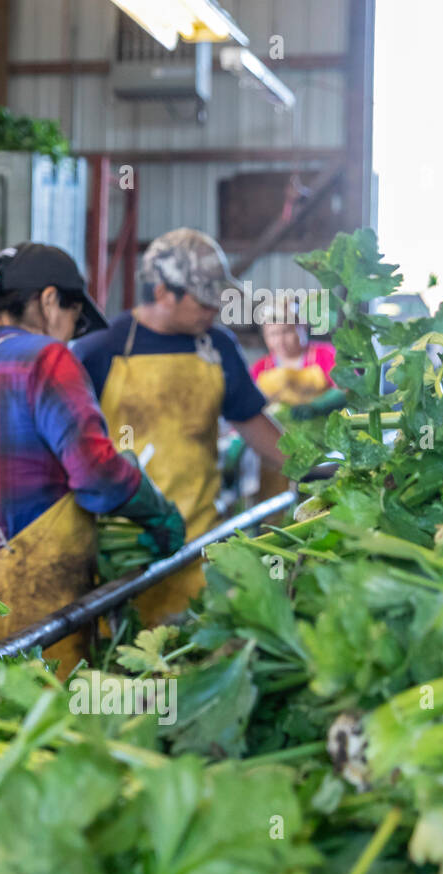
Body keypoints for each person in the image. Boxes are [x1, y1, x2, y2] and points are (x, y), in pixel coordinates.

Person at [0, 243, 185, 674]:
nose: (70, 335)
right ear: (48, 301)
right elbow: (97, 475)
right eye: (72, 318)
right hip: (21, 610)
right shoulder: (46, 358)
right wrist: (156, 510)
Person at [72, 228, 286, 623]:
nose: (214, 312)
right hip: (124, 553)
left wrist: (317, 469)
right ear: (162, 292)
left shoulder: (218, 347)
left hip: (200, 545)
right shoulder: (103, 350)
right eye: (204, 303)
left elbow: (255, 425)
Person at [251, 313, 344, 418]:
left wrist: (317, 406)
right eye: (273, 334)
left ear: (302, 328)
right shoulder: (260, 367)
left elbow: (347, 387)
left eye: (286, 331)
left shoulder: (326, 354)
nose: (280, 340)